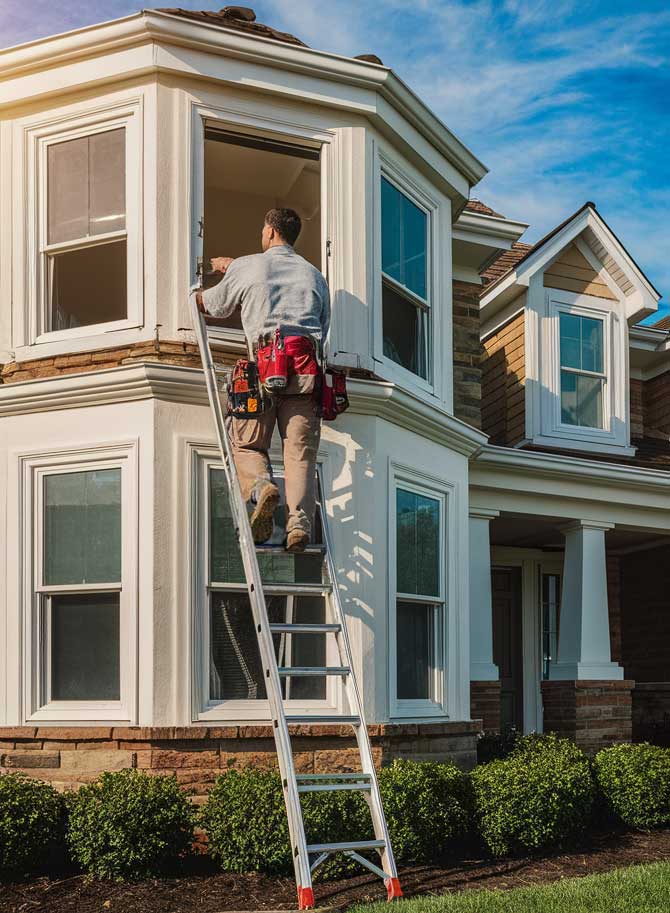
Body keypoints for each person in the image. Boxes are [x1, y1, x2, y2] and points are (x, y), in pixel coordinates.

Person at [195, 208, 330, 553]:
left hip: (262, 370)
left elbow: (216, 306)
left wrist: (191, 293)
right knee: (299, 455)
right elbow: (323, 326)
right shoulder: (315, 275)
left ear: (269, 231)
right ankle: (298, 524)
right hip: (306, 373)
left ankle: (261, 487)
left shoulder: (249, 266)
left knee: (247, 444)